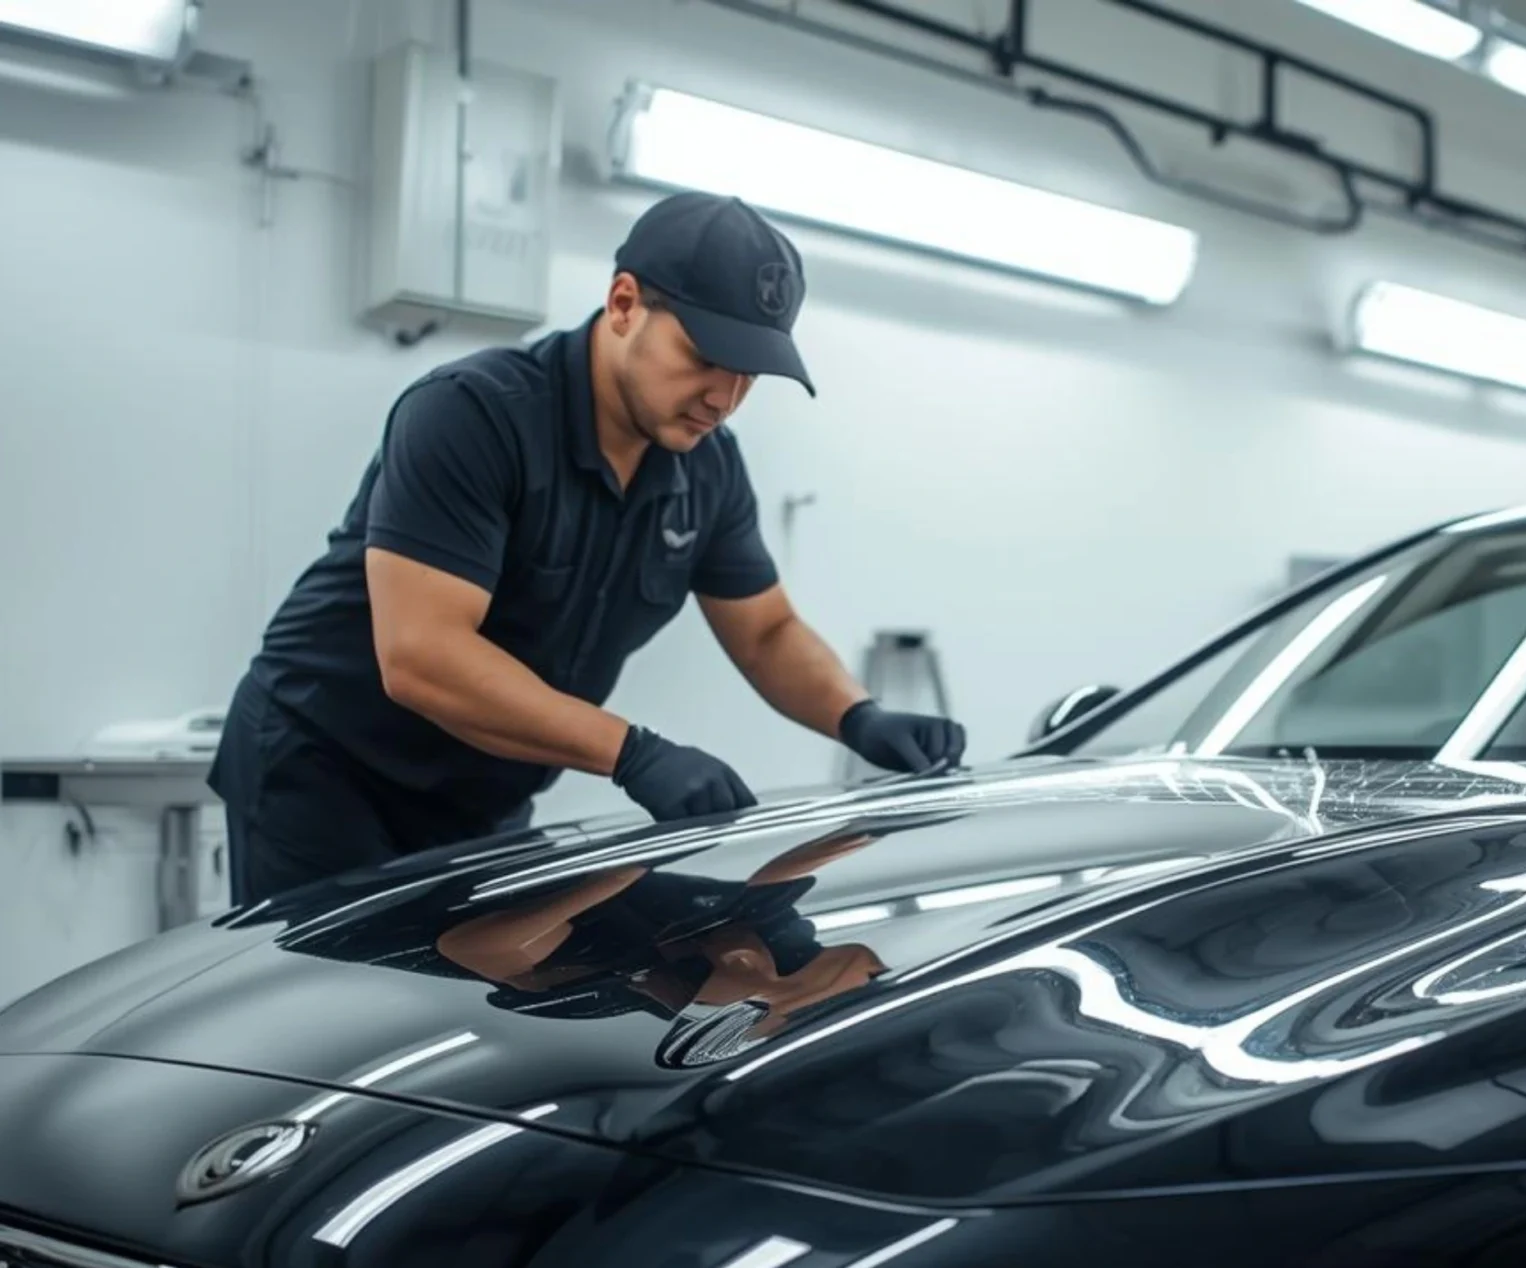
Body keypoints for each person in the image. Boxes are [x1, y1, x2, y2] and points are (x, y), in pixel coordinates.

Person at [210, 190, 963, 906]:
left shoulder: (708, 467)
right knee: (334, 1025)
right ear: (625, 303)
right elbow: (422, 654)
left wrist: (858, 716)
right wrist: (633, 752)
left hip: (485, 789)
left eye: (749, 373)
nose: (723, 397)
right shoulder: (473, 416)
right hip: (325, 768)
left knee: (468, 1013)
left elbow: (765, 631)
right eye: (706, 355)